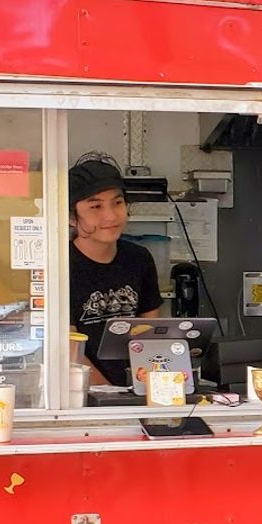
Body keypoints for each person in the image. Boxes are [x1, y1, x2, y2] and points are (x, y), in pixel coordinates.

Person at [68, 155, 161, 384]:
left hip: (136, 390)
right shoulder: (60, 266)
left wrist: (147, 389)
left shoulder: (139, 259)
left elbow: (152, 334)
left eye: (117, 203)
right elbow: (69, 352)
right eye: (96, 206)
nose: (110, 216)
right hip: (80, 396)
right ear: (71, 216)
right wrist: (112, 396)